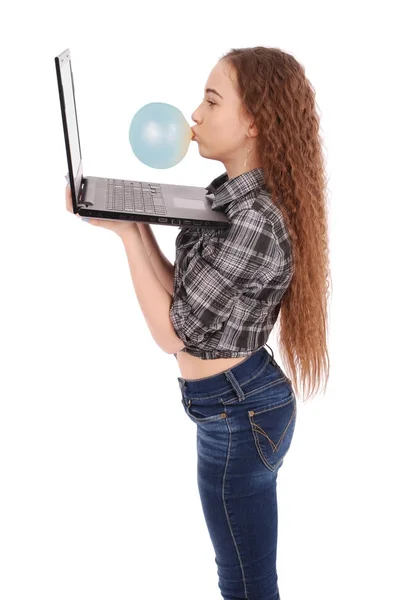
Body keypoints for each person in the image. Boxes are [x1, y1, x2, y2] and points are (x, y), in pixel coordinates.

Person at [65, 46, 330, 600]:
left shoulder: (255, 223)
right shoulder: (226, 200)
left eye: (212, 102)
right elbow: (187, 303)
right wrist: (133, 224)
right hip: (234, 405)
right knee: (243, 576)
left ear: (253, 121)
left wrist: (122, 236)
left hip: (241, 413)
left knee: (245, 582)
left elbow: (171, 333)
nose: (195, 115)